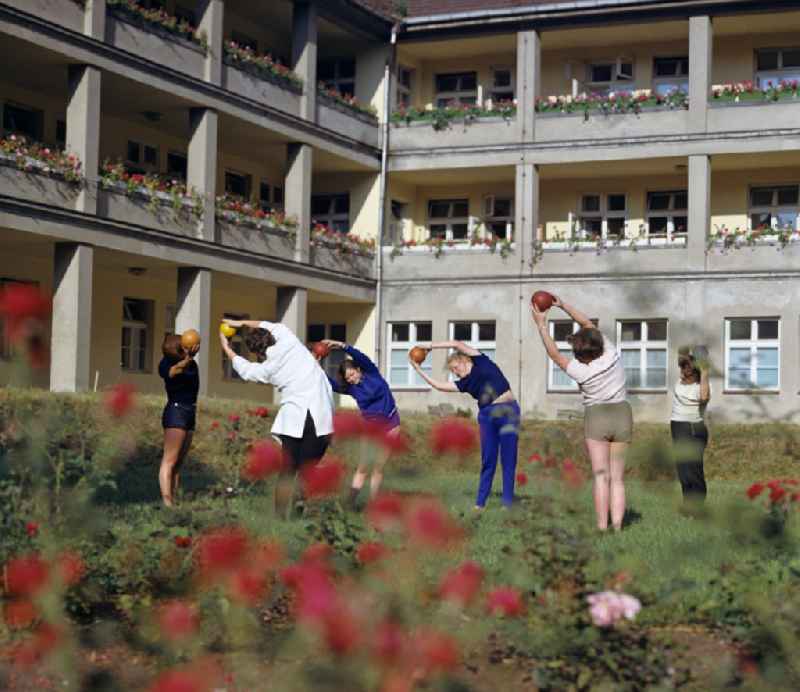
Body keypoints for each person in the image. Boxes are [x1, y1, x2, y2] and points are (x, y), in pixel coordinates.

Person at [531, 297, 632, 531]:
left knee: (600, 476)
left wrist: (541, 324)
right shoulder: (611, 353)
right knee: (617, 479)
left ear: (579, 353)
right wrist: (562, 304)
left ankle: (601, 528)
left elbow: (554, 354)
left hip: (597, 417)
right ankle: (617, 527)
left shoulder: (580, 371)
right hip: (622, 414)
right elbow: (587, 323)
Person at [219, 318, 334, 516]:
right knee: (307, 470)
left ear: (258, 353)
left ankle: (280, 516)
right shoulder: (290, 341)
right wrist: (239, 322)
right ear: (272, 337)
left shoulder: (269, 369)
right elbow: (267, 324)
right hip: (320, 415)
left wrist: (226, 347)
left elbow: (246, 370)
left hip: (293, 418)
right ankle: (299, 510)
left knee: (288, 469)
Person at [409, 340, 520, 509]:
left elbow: (457, 343)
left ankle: (506, 504)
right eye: (452, 371)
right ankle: (480, 504)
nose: (455, 372)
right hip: (487, 416)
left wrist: (429, 346)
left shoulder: (480, 360)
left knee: (508, 459)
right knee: (488, 460)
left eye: (455, 368)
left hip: (508, 411)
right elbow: (438, 386)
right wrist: (418, 370)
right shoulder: (464, 383)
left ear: (464, 360)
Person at [320, 339, 400, 506]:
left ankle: (374, 503)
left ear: (358, 369)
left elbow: (361, 357)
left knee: (379, 467)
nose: (351, 379)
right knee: (363, 467)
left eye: (352, 374)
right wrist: (316, 365)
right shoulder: (351, 388)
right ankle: (350, 503)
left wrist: (343, 346)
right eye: (347, 378)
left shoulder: (372, 373)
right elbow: (329, 383)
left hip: (391, 424)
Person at [158, 334, 200, 508]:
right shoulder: (166, 364)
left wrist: (189, 358)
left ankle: (174, 501)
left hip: (190, 411)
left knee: (178, 462)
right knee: (169, 460)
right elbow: (175, 371)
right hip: (176, 411)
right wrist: (188, 358)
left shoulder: (191, 364)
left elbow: (185, 365)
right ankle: (167, 503)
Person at [671, 349, 711, 503]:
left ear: (694, 372)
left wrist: (705, 371)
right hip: (677, 427)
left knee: (694, 469)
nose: (681, 372)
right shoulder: (679, 383)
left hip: (694, 429)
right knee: (683, 468)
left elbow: (704, 397)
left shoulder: (702, 387)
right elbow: (682, 354)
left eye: (684, 369)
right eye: (681, 367)